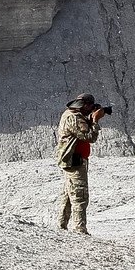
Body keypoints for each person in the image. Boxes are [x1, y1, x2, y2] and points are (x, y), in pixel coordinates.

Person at [56, 93, 107, 235]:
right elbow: (90, 137)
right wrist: (95, 120)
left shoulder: (74, 114)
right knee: (80, 196)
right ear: (85, 105)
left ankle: (61, 225)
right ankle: (80, 229)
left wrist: (90, 118)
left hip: (74, 159)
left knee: (69, 194)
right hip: (75, 161)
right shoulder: (74, 117)